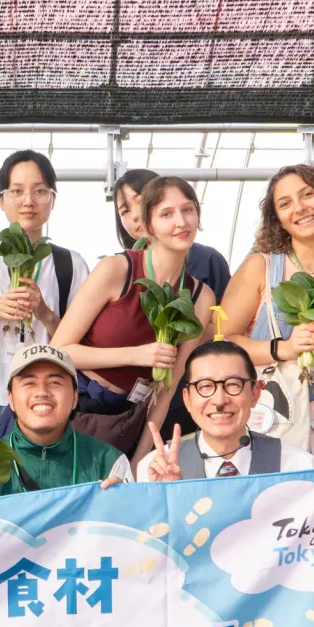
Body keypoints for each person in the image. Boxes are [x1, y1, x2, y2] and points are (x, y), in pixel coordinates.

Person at [54, 176, 215, 453]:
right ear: (147, 225)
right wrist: (137, 355)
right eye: (167, 214)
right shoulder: (116, 270)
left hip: (130, 417)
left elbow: (167, 387)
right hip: (77, 408)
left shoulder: (201, 297)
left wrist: (141, 456)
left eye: (188, 210)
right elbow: (58, 350)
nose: (181, 221)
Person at [219, 164, 314, 458]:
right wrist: (284, 348)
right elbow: (222, 343)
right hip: (266, 415)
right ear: (279, 221)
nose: (299, 208)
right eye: (285, 204)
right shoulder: (259, 268)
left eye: (307, 195)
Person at [0, 151, 90, 430]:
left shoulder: (71, 264)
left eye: (40, 191)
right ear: (2, 200)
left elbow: (82, 347)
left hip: (46, 400)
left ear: (52, 199)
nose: (28, 201)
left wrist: (45, 313)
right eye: (17, 191)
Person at [138, 341, 314, 483]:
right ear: (187, 399)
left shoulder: (296, 467)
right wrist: (163, 499)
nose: (219, 400)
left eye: (233, 385)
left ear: (256, 394)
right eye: (205, 387)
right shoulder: (154, 468)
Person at [0, 344, 133, 499]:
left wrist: (124, 507)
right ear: (10, 399)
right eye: (29, 383)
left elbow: (135, 536)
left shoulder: (108, 462)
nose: (42, 392)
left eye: (55, 382)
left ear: (75, 397)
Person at [112, 168, 231, 298]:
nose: (136, 215)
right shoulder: (118, 267)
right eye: (125, 211)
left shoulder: (208, 261)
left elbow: (222, 315)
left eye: (140, 202)